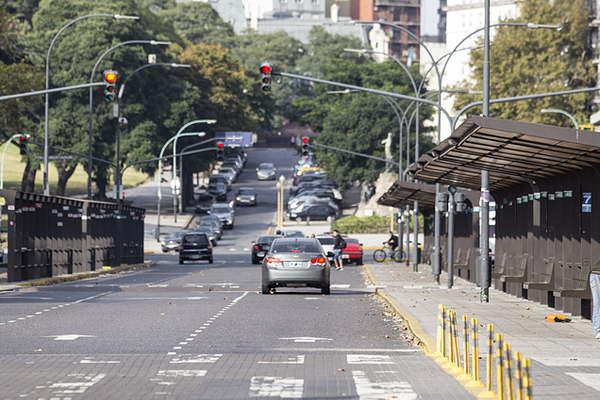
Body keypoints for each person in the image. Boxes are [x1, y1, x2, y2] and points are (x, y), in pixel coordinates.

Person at [591, 267, 600, 339]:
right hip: (596, 272)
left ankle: (598, 330)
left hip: (595, 272)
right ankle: (598, 329)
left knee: (597, 301)